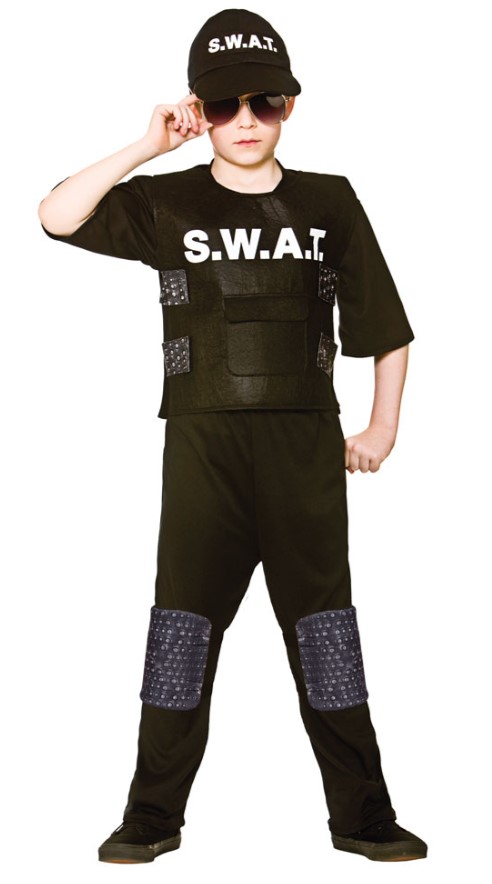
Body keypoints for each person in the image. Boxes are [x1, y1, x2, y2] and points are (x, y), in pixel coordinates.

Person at [38, 7, 427, 865]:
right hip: (202, 450)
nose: (245, 121)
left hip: (303, 452)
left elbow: (386, 327)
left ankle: (364, 817)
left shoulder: (329, 202)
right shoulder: (166, 201)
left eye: (264, 103)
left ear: (291, 105)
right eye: (223, 105)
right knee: (180, 634)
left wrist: (383, 426)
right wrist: (147, 147)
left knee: (326, 635)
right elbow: (57, 215)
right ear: (197, 111)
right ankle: (150, 816)